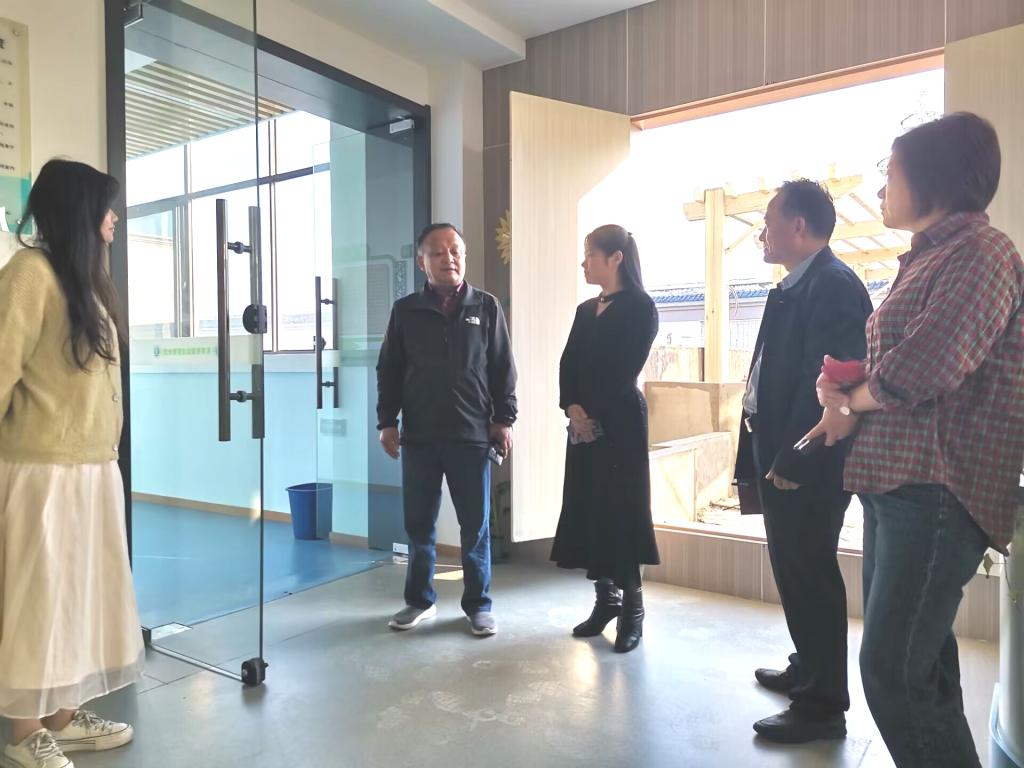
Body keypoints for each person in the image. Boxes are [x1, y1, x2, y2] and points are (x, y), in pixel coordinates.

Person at [804, 112, 1024, 768]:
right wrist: (852, 383)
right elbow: (910, 361)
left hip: (936, 487)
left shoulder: (983, 252)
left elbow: (931, 362)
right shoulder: (933, 257)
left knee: (892, 671)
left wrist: (853, 398)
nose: (881, 188)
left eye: (891, 174)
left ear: (934, 179)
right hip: (899, 481)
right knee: (919, 669)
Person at [0, 159, 144, 768]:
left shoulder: (84, 280)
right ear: (79, 211)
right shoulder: (28, 274)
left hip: (92, 469)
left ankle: (60, 715)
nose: (114, 219)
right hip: (42, 472)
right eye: (106, 208)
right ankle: (23, 731)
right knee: (38, 602)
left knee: (78, 600)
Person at [734, 180, 873, 743]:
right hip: (780, 453)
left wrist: (796, 457)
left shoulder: (833, 285)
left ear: (797, 226)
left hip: (807, 461)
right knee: (793, 568)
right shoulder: (798, 284)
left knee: (810, 572)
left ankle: (822, 706)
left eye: (768, 222)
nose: (762, 234)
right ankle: (808, 668)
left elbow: (833, 388)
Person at [376, 223, 517, 637]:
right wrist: (387, 421)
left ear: (464, 256)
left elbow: (503, 368)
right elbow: (389, 369)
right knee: (419, 524)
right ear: (422, 262)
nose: (448, 258)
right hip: (419, 436)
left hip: (471, 436)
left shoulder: (485, 307)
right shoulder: (406, 311)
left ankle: (478, 605)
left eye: (455, 250)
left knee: (475, 526)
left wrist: (504, 420)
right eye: (437, 252)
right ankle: (419, 600)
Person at [551, 224, 660, 654]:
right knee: (589, 507)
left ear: (615, 258)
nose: (584, 263)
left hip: (620, 424)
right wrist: (572, 408)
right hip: (584, 425)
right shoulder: (584, 310)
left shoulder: (641, 307)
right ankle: (605, 601)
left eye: (590, 254)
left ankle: (633, 609)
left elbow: (624, 368)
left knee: (622, 510)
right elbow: (568, 363)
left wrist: (590, 412)